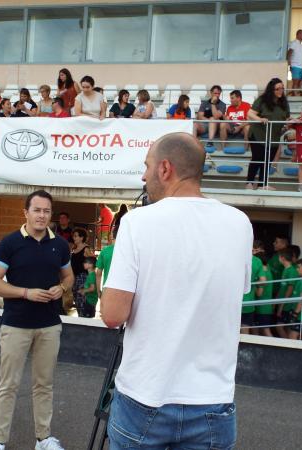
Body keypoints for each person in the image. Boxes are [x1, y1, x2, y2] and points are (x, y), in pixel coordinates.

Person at [101, 132, 252, 449]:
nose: (143, 175)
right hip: (214, 402)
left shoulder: (137, 222)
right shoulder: (240, 224)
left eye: (147, 166)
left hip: (145, 398)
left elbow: (112, 315)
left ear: (165, 169)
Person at [0, 190, 73, 450]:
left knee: (44, 385)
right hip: (15, 325)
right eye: (37, 210)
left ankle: (43, 439)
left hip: (49, 325)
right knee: (8, 386)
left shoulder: (59, 244)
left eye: (47, 211)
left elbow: (68, 277)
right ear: (26, 212)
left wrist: (63, 287)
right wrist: (26, 293)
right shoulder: (10, 243)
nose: (42, 215)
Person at [246, 78, 291, 190]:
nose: (280, 91)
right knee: (257, 158)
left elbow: (287, 118)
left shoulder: (284, 103)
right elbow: (250, 113)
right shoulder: (262, 100)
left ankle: (262, 184)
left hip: (274, 136)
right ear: (271, 90)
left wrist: (294, 121)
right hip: (258, 134)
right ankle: (249, 182)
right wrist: (260, 119)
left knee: (268, 160)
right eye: (277, 89)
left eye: (282, 88)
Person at [275, 247, 298, 339]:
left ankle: (288, 345)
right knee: (287, 328)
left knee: (279, 326)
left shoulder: (291, 271)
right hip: (282, 303)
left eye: (279, 257)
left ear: (282, 258)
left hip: (287, 305)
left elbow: (290, 289)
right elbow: (283, 287)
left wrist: (281, 306)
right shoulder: (285, 269)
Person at [70, 228, 92, 317]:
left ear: (81, 237)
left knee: (81, 298)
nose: (74, 238)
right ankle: (80, 316)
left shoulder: (86, 249)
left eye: (76, 236)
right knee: (76, 298)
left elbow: (92, 262)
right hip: (74, 277)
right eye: (73, 236)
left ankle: (84, 317)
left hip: (82, 277)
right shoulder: (74, 249)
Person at [242, 250, 264, 335]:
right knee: (245, 328)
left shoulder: (233, 257)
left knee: (230, 329)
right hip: (249, 301)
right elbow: (263, 280)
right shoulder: (257, 260)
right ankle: (244, 348)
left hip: (233, 301)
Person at [255, 252, 275, 337]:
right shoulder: (268, 270)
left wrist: (252, 288)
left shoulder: (263, 273)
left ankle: (276, 349)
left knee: (265, 331)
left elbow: (259, 293)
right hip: (266, 306)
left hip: (262, 307)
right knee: (260, 330)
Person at [95, 229, 116, 299]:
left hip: (107, 287)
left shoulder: (105, 251)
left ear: (111, 236)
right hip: (125, 289)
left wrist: (98, 290)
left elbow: (98, 273)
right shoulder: (128, 251)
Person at [287, 29, 302, 95]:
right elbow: (289, 52)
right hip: (295, 66)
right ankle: (294, 98)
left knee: (300, 83)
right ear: (298, 34)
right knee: (295, 82)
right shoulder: (294, 43)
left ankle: (295, 95)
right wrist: (289, 62)